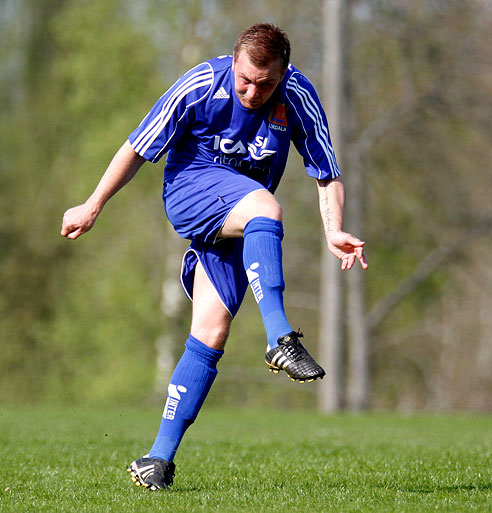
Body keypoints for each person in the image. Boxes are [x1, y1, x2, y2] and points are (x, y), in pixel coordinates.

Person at [60, 23, 368, 490]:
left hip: (239, 217)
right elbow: (138, 146)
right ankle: (281, 337)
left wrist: (334, 229)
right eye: (246, 78)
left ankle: (156, 460)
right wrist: (93, 203)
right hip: (191, 189)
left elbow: (326, 172)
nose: (253, 90)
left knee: (211, 329)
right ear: (234, 60)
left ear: (283, 73)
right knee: (267, 205)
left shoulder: (298, 96)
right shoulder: (202, 84)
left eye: (266, 83)